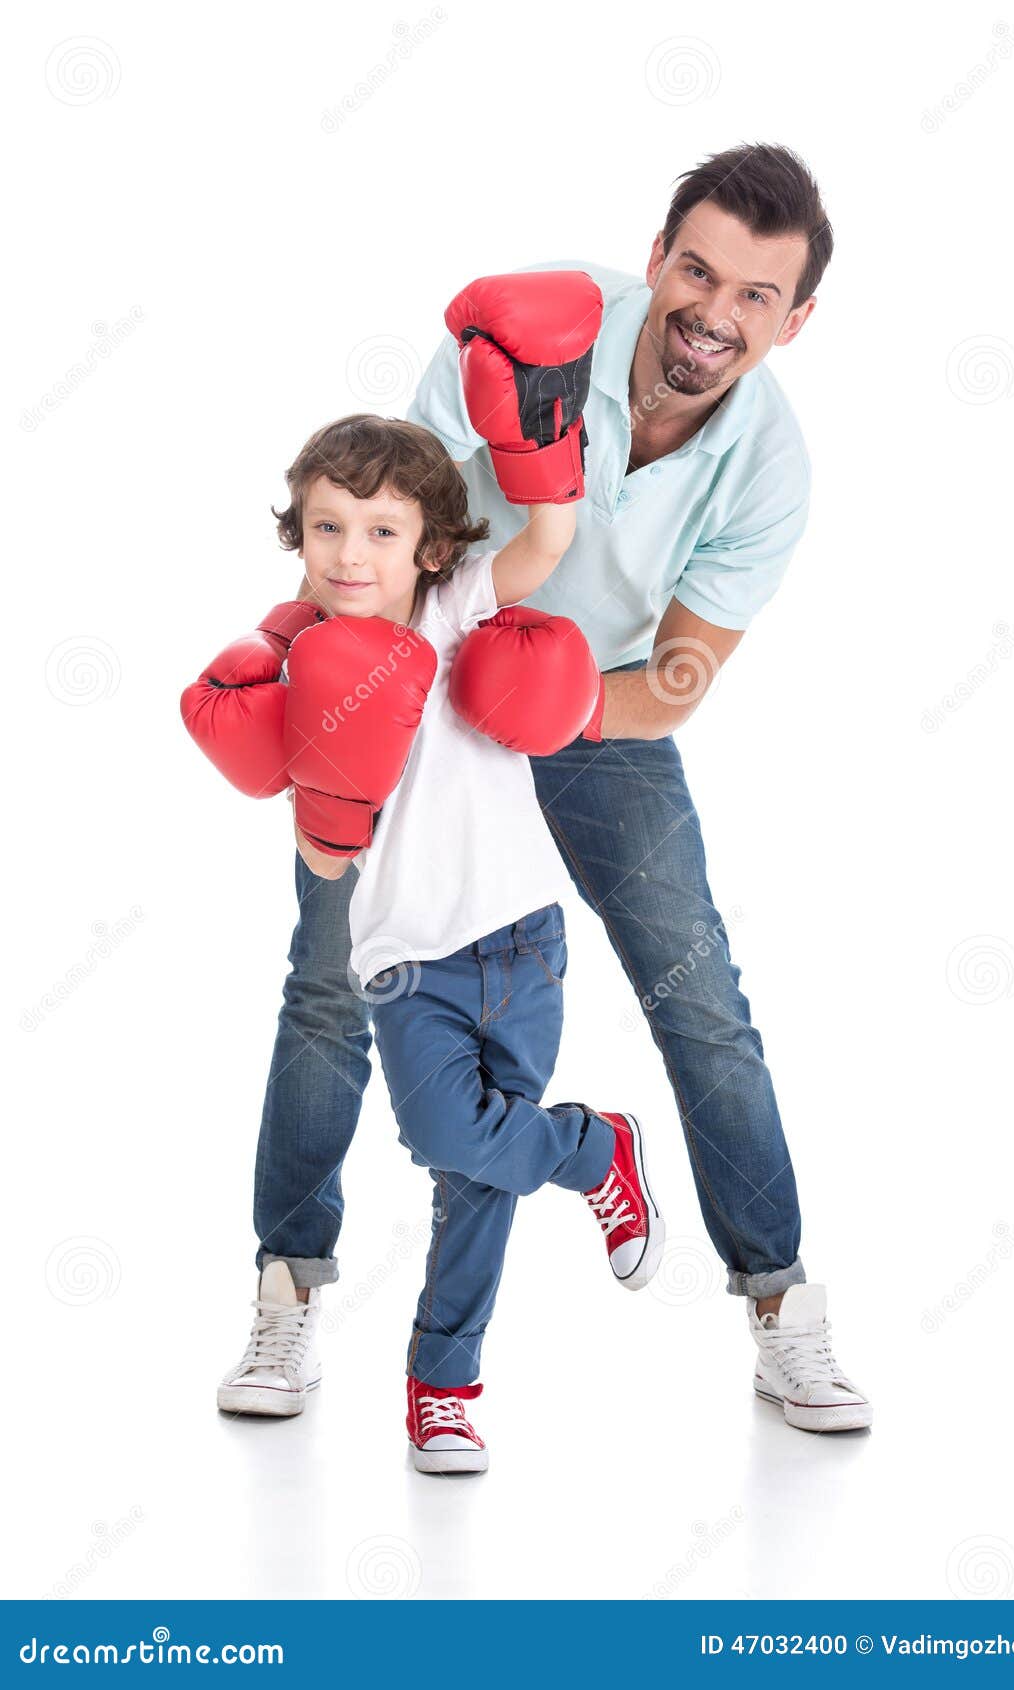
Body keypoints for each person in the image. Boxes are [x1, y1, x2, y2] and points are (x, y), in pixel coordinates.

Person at [246, 142, 872, 1436]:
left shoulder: (770, 466)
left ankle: (782, 1306)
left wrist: (558, 704)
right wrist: (344, 663)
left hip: (602, 702)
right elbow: (390, 528)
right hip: (424, 679)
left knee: (698, 992)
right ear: (656, 261)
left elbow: (686, 672)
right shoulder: (525, 335)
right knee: (329, 984)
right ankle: (289, 1290)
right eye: (697, 271)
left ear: (795, 320)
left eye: (758, 296)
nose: (715, 311)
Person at [191, 270, 669, 1472]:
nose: (353, 553)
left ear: (429, 543)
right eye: (327, 527)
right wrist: (326, 795)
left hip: (522, 934)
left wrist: (541, 411)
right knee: (453, 1137)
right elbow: (317, 847)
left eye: (382, 529)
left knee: (474, 1182)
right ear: (295, 533)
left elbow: (549, 535)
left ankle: (443, 1387)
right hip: (406, 959)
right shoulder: (289, 657)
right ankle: (596, 1148)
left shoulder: (455, 605)